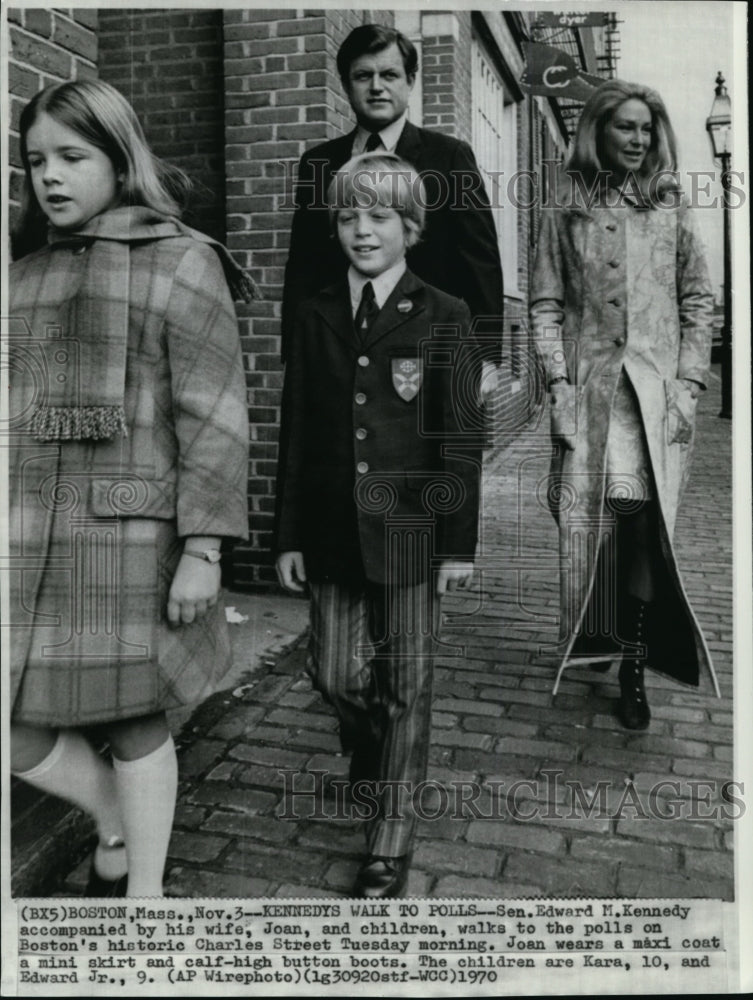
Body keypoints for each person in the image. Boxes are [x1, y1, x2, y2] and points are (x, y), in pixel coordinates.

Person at [8, 79, 254, 897]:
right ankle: (114, 818)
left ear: (120, 160)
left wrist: (205, 549)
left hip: (131, 536)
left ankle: (143, 900)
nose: (51, 176)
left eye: (73, 157)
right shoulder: (23, 276)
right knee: (14, 725)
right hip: (30, 536)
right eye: (36, 159)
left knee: (133, 719)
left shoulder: (183, 261)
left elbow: (214, 418)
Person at [275, 152, 481, 897]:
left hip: (411, 531)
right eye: (347, 216)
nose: (361, 230)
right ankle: (372, 755)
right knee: (332, 672)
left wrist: (456, 544)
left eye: (379, 217)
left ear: (410, 227)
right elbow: (297, 430)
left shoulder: (445, 315)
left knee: (407, 684)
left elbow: (458, 440)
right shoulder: (314, 311)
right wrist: (288, 535)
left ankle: (388, 839)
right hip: (330, 529)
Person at [530, 79, 718, 730]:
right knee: (584, 519)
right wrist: (556, 382)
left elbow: (698, 299)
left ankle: (633, 663)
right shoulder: (565, 204)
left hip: (656, 400)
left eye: (646, 129)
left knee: (641, 524)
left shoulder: (670, 205)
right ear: (597, 132)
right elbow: (545, 304)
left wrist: (689, 384)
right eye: (624, 128)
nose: (637, 140)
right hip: (590, 394)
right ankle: (595, 631)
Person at [281, 23, 504, 382]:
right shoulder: (318, 163)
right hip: (338, 354)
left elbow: (481, 264)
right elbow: (304, 265)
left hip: (426, 352)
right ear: (345, 83)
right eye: (363, 76)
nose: (376, 87)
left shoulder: (449, 157)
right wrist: (295, 348)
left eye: (389, 74)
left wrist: (487, 358)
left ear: (410, 81)